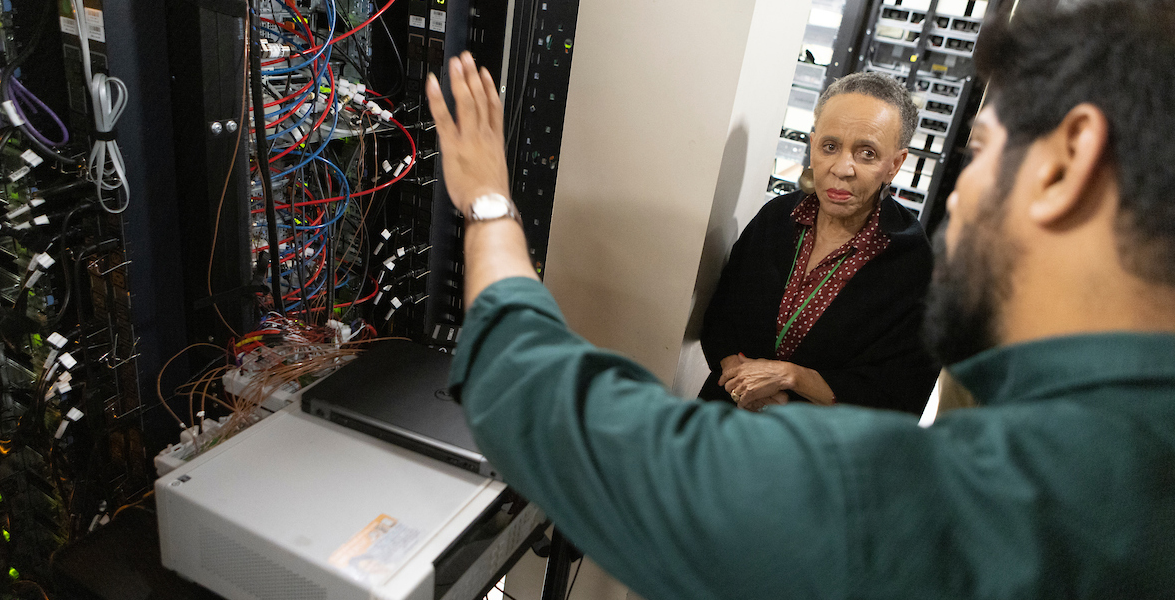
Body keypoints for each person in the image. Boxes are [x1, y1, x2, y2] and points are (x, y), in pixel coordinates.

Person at [427, 1, 1175, 597]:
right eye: (826, 146)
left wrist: (490, 205)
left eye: (979, 151)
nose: (966, 190)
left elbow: (561, 417)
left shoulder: (951, 505)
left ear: (1065, 164)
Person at [699, 72, 937, 413]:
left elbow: (899, 391)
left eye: (867, 153)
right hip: (723, 421)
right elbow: (722, 314)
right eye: (830, 147)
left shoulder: (912, 266)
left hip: (814, 450)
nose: (842, 168)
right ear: (812, 145)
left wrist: (791, 378)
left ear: (895, 165)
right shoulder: (778, 217)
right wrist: (740, 379)